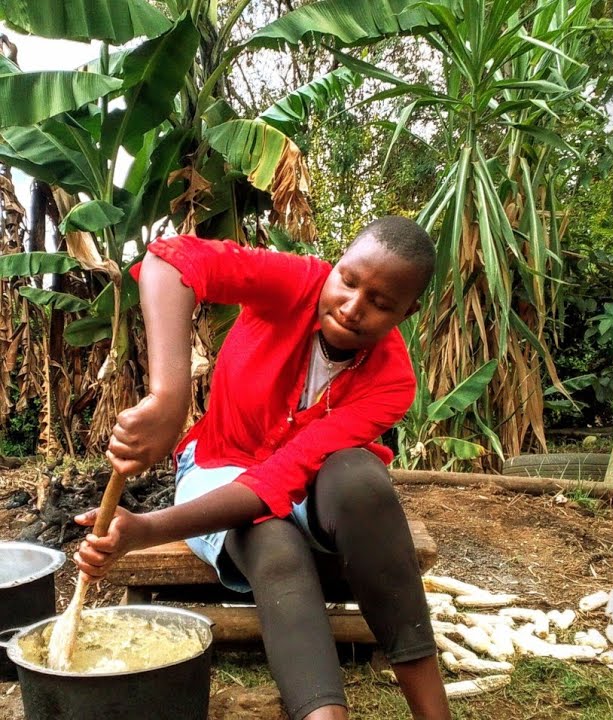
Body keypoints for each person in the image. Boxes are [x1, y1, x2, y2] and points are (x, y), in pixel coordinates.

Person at [71, 217, 451, 720]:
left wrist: (145, 529)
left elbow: (282, 478)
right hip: (218, 467)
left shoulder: (393, 381)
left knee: (361, 479)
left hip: (312, 493)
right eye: (348, 280)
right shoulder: (293, 283)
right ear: (335, 265)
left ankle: (433, 710)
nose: (352, 306)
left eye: (381, 304)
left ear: (409, 311)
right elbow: (171, 260)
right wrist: (169, 398)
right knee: (272, 540)